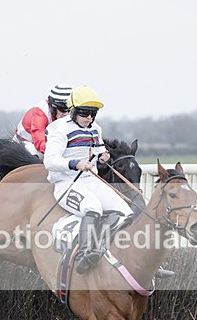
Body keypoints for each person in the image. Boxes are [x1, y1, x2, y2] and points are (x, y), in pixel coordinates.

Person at [43, 85, 132, 274]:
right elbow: (49, 161)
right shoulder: (59, 130)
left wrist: (103, 156)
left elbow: (99, 150)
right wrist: (75, 164)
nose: (89, 118)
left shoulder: (95, 128)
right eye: (85, 113)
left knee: (125, 211)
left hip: (91, 181)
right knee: (93, 207)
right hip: (67, 183)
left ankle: (102, 249)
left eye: (93, 113)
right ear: (73, 110)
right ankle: (84, 254)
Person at [13, 84, 72, 156]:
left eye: (70, 110)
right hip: (25, 145)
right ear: (52, 106)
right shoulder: (40, 113)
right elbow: (40, 143)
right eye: (62, 109)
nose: (67, 114)